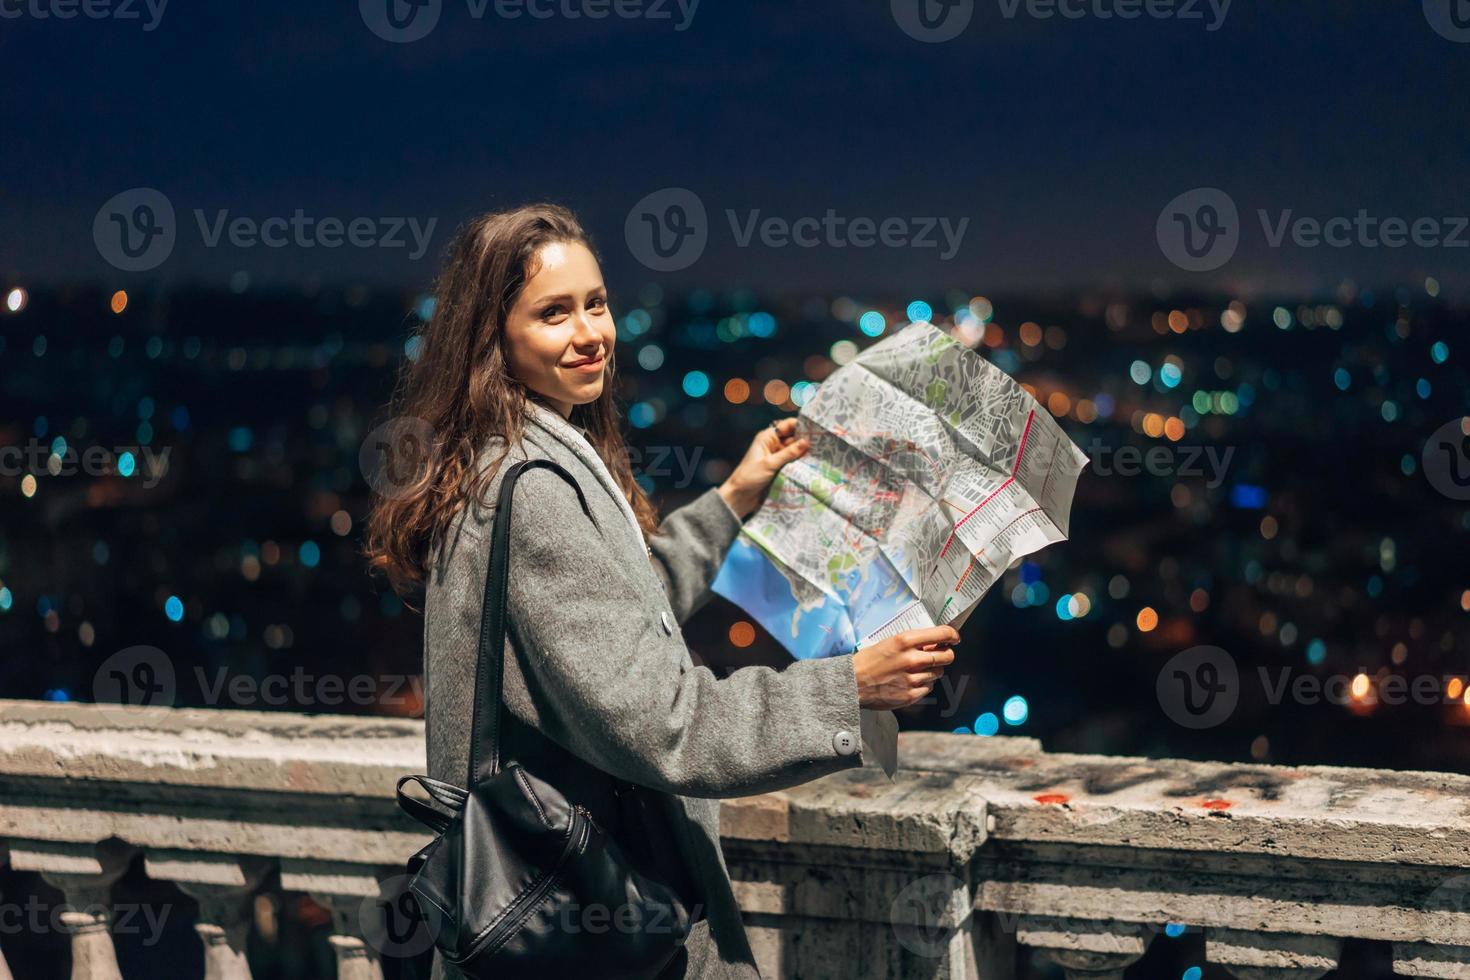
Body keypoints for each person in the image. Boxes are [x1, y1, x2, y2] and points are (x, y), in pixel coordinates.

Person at [364, 203, 958, 978]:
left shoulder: (500, 453)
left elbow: (617, 614)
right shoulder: (534, 487)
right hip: (591, 908)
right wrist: (846, 690)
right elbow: (664, 723)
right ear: (493, 336)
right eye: (553, 313)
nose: (589, 334)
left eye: (596, 303)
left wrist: (734, 497)